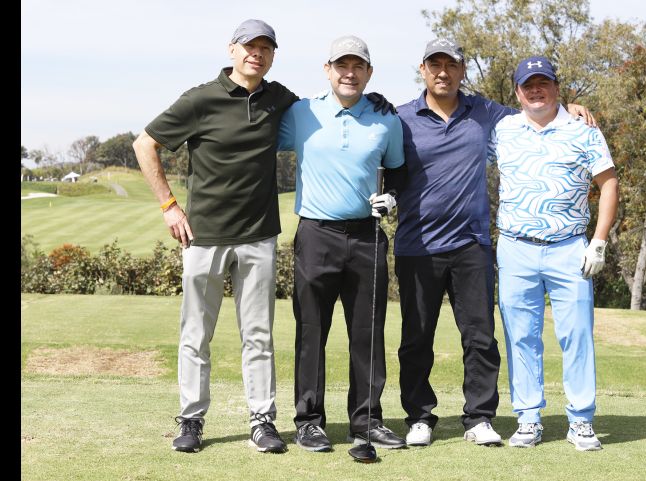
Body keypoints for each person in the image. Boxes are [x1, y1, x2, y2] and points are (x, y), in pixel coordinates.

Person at [132, 19, 393, 455]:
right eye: (249, 46)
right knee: (195, 332)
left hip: (258, 235)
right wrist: (168, 205)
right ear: (232, 49)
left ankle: (262, 420)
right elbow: (145, 144)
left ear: (273, 55)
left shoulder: (280, 99)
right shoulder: (200, 99)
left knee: (259, 334)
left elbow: (330, 104)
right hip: (204, 235)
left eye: (265, 48)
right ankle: (192, 419)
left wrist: (374, 99)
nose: (257, 53)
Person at [394, 39, 595, 447]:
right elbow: (380, 159)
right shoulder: (400, 118)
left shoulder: (487, 113)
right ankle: (419, 416)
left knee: (480, 336)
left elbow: (537, 111)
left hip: (472, 242)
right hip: (417, 243)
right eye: (436, 64)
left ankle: (479, 417)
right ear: (423, 69)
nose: (443, 72)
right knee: (417, 337)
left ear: (462, 70)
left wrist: (569, 107)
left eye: (451, 65)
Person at [277, 35, 407, 452]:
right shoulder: (301, 113)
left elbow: (399, 172)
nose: (349, 73)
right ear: (327, 69)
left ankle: (366, 420)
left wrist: (394, 197)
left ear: (369, 73)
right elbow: (256, 128)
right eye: (341, 66)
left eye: (358, 67)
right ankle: (309, 421)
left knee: (367, 333)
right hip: (316, 234)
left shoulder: (386, 119)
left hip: (368, 237)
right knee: (312, 330)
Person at [490, 55, 618, 451]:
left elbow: (609, 183)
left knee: (576, 334)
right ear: (517, 92)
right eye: (528, 84)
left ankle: (581, 420)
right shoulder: (502, 130)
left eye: (543, 82)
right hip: (515, 248)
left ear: (557, 87)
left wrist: (598, 241)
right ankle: (528, 419)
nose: (535, 90)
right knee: (521, 337)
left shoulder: (583, 130)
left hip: (569, 248)